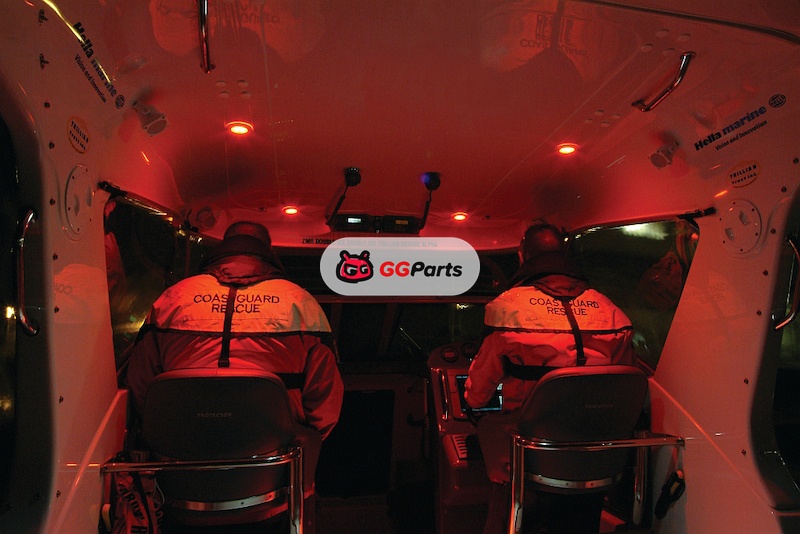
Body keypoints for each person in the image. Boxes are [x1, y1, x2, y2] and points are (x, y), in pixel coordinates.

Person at [465, 221, 635, 533]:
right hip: (593, 466)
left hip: (528, 463)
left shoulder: (506, 310)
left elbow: (477, 395)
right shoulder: (613, 313)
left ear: (522, 255)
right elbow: (624, 386)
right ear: (564, 253)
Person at [125, 221, 344, 441]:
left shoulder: (173, 298)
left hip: (181, 442)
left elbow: (141, 382)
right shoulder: (301, 302)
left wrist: (158, 434)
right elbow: (325, 398)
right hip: (273, 446)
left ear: (224, 245)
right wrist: (305, 440)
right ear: (268, 250)